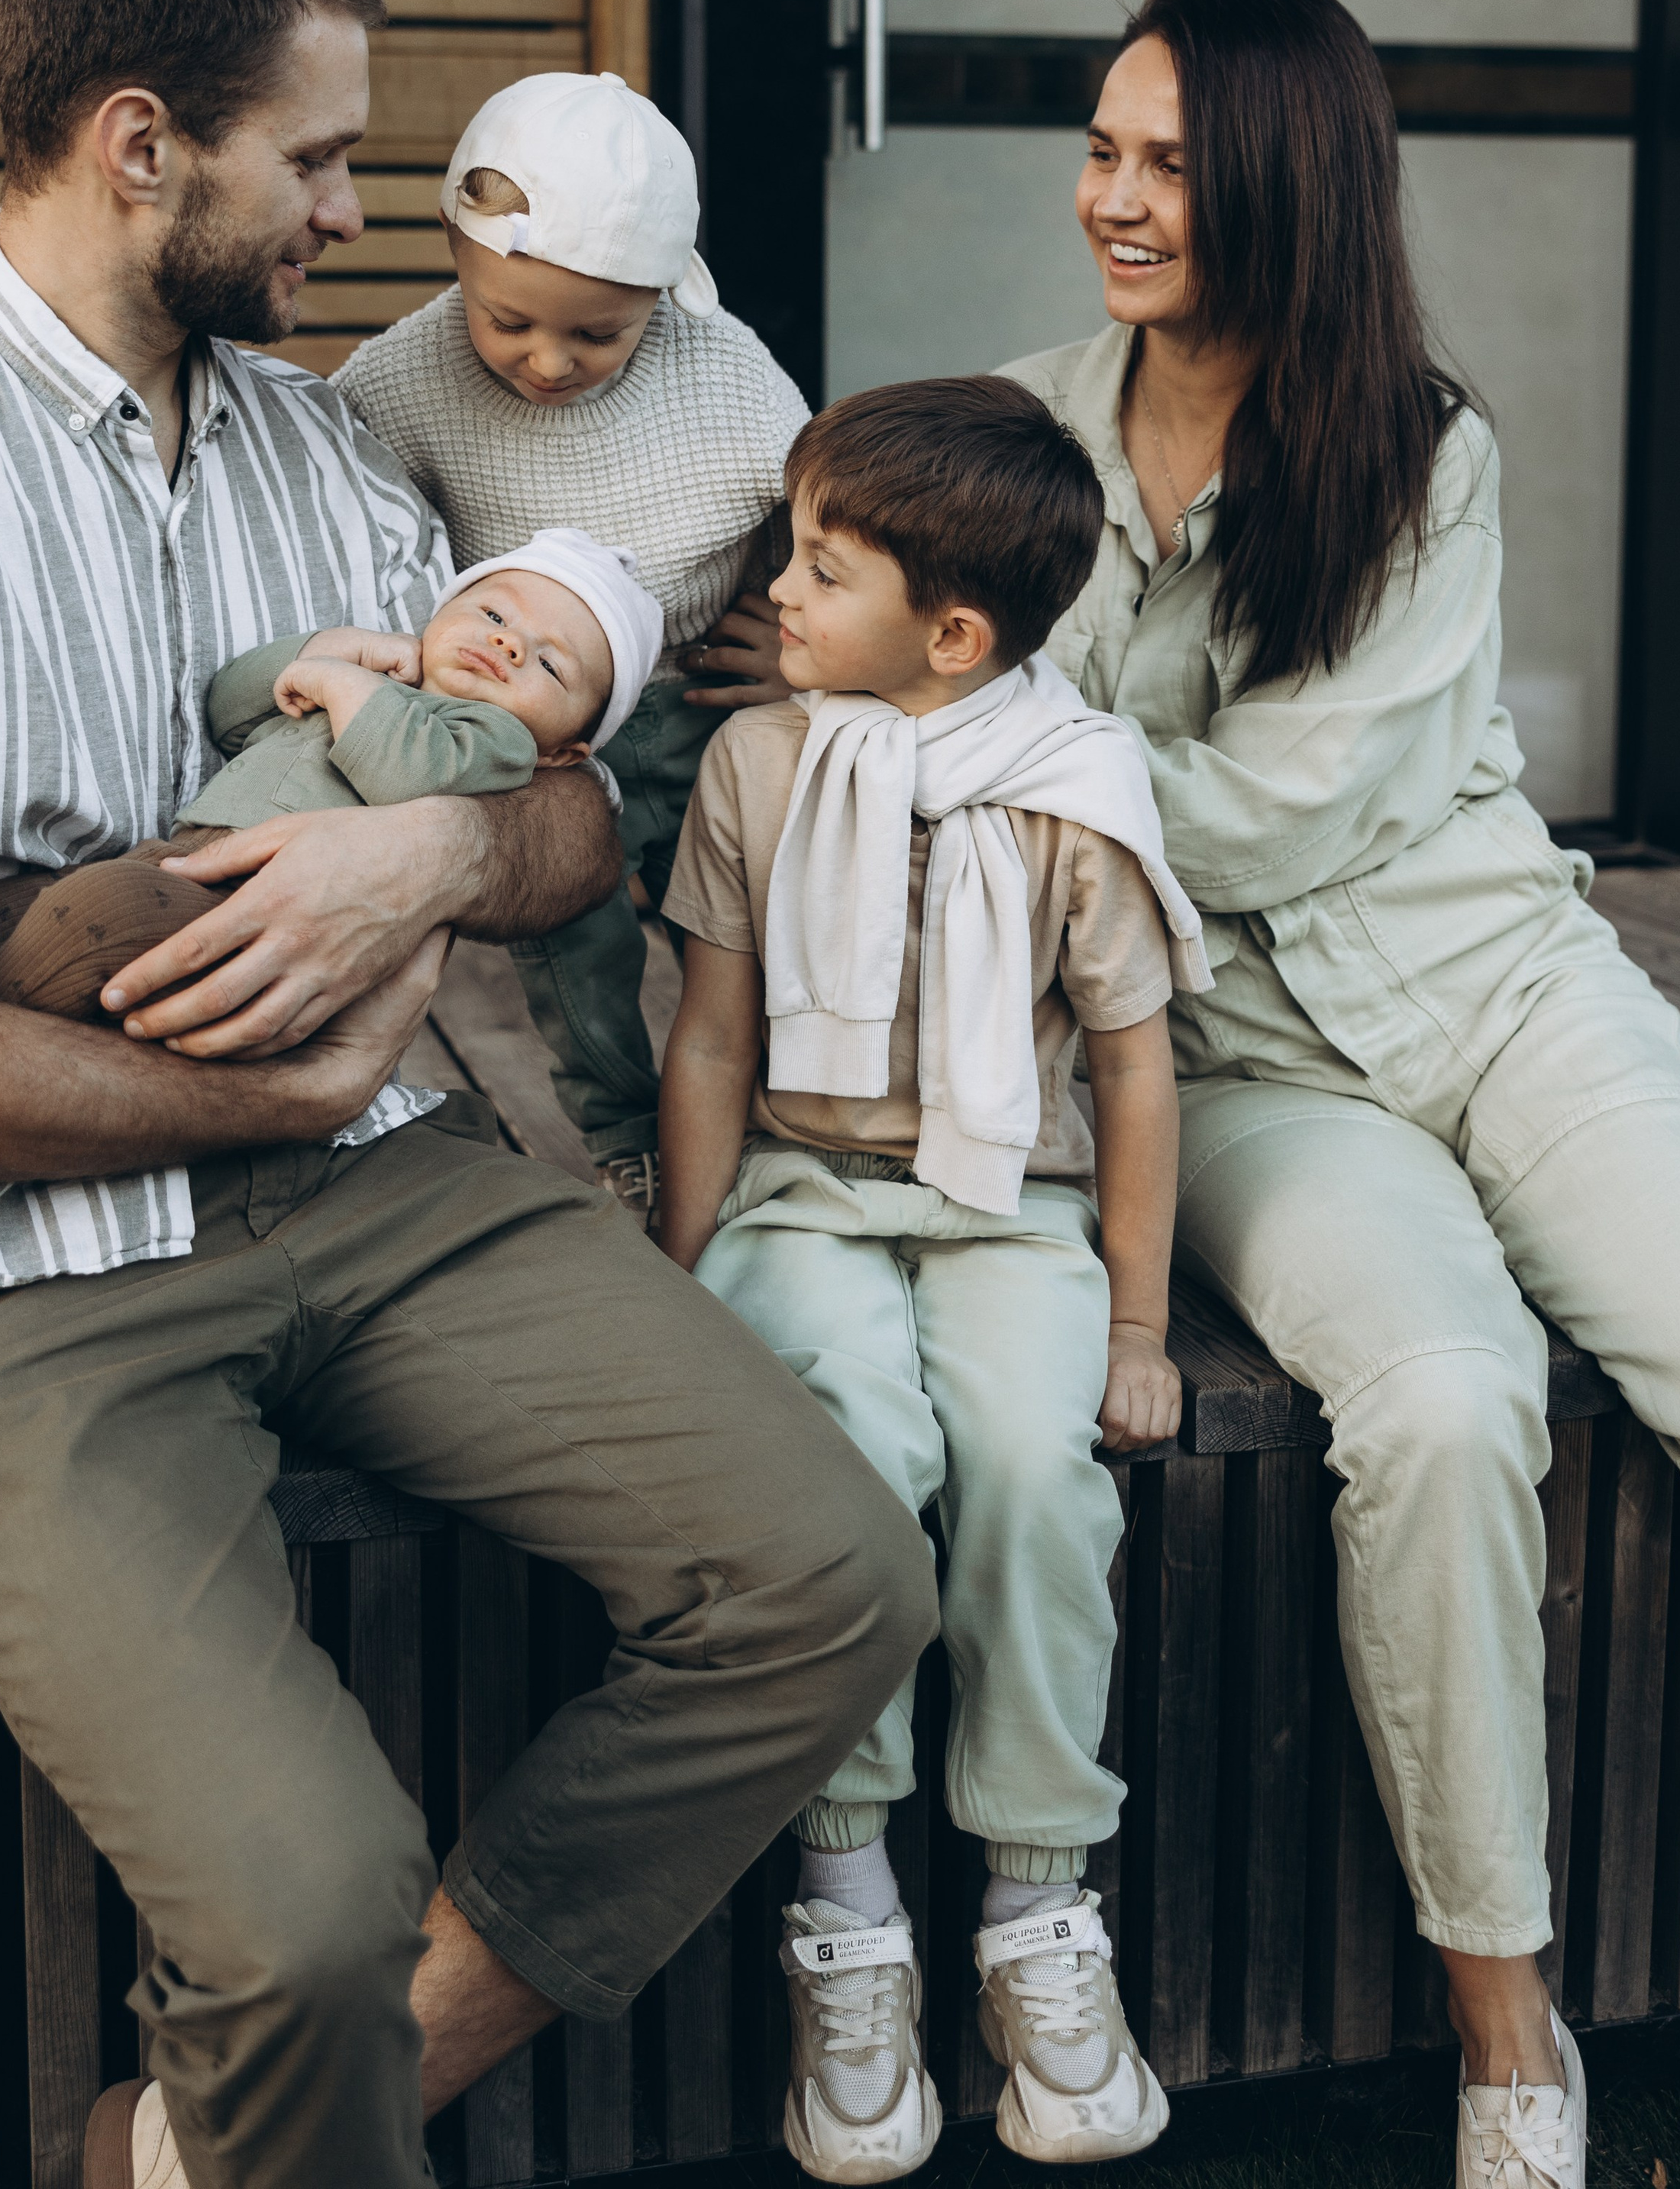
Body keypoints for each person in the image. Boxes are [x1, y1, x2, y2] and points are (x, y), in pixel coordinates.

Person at [0, 0, 938, 2189]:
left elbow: (567, 843)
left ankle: (214, 2149)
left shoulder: (336, 452)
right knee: (302, 1911)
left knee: (828, 1578)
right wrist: (293, 1060)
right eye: (319, 157)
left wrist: (433, 851)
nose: (360, 211)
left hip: (386, 1198)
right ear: (147, 144)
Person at [1003, 0, 1680, 2189]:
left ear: (1284, 183)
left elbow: (1279, 807)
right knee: (1437, 1401)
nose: (1113, 201)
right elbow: (1033, 794)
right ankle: (1503, 2009)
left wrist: (1066, 761)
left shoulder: (1423, 448)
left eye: (1166, 161)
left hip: (1507, 986)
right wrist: (1062, 775)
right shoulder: (1022, 434)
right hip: (1242, 1065)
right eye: (1102, 149)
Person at [656, 378, 1210, 2181]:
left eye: (819, 569)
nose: (779, 597)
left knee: (1037, 1473)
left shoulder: (1071, 791)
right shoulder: (758, 758)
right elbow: (712, 1037)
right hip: (804, 1198)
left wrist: (1131, 1323)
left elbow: (1129, 1061)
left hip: (1005, 1204)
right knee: (850, 1457)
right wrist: (678, 1264)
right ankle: (847, 1901)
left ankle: (1039, 1908)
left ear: (952, 631)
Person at [335, 70, 809, 1213]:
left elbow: (823, 497)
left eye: (599, 333)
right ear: (456, 250)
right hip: (534, 717)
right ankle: (627, 1133)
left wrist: (789, 630)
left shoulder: (723, 373)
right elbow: (341, 498)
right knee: (573, 946)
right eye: (509, 321)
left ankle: (781, 1122)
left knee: (742, 918)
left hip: (695, 700)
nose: (548, 361)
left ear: (665, 295)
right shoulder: (407, 375)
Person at [0, 527, 664, 1021]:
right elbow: (230, 713)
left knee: (93, 919)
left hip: (257, 904)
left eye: (549, 664)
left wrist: (340, 683)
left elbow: (408, 773)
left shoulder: (499, 743)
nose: (509, 642)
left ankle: (1, 1030)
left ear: (565, 752)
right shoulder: (365, 678)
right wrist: (320, 653)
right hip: (177, 857)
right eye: (490, 612)